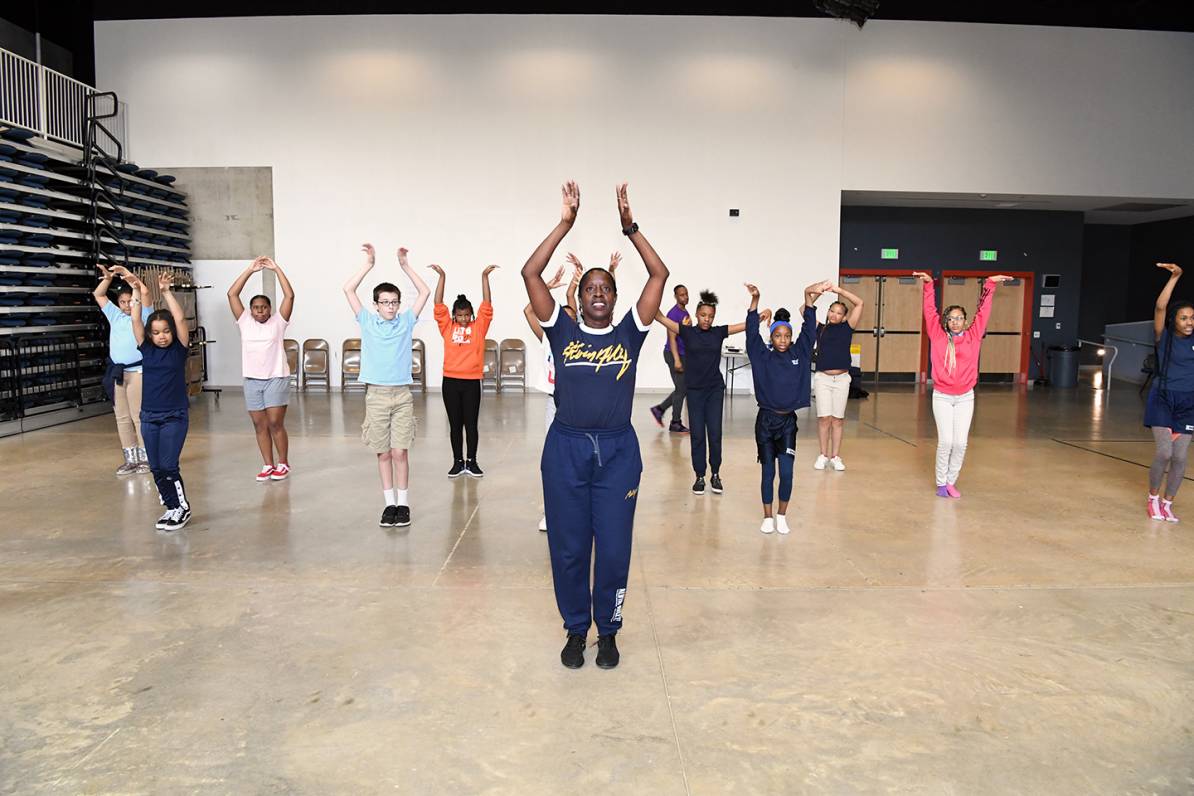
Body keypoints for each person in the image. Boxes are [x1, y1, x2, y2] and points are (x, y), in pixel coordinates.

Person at [523, 181, 668, 670]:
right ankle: (574, 628)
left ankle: (608, 631)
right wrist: (565, 224)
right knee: (568, 548)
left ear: (614, 296)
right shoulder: (561, 329)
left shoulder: (631, 332)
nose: (600, 293)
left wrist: (631, 229)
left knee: (611, 548)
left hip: (617, 454)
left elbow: (659, 273)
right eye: (591, 289)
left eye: (606, 288)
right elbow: (530, 272)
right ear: (579, 298)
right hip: (564, 449)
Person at [343, 244, 431, 528]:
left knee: (400, 452)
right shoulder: (367, 321)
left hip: (402, 395)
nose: (391, 307)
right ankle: (388, 504)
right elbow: (348, 289)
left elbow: (425, 292)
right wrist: (369, 264)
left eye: (394, 302)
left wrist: (405, 266)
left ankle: (403, 505)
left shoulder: (406, 322)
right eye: (385, 302)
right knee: (383, 453)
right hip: (376, 395)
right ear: (376, 304)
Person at [653, 290, 765, 495]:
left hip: (714, 390)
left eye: (711, 316)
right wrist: (652, 295)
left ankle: (715, 474)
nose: (707, 319)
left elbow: (745, 325)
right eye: (704, 315)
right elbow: (660, 317)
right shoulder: (687, 332)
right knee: (697, 435)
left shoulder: (718, 332)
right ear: (696, 315)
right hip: (694, 390)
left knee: (714, 434)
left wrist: (758, 310)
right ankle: (699, 476)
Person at [914, 270, 1013, 498]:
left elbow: (984, 311)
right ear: (946, 322)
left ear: (965, 321)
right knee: (946, 441)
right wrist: (929, 286)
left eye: (959, 318)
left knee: (960, 443)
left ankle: (951, 481)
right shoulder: (938, 337)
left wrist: (990, 285)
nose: (955, 322)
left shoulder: (973, 336)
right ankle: (940, 483)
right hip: (943, 396)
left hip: (966, 396)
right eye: (951, 318)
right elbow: (929, 311)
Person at [744, 281, 824, 534]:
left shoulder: (798, 353)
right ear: (772, 336)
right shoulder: (762, 355)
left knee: (787, 474)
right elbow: (750, 333)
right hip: (765, 423)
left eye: (786, 336)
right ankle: (767, 516)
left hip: (787, 424)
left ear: (791, 337)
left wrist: (808, 299)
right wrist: (755, 301)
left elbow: (810, 331)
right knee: (768, 473)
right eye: (777, 335)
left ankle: (781, 515)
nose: (782, 339)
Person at [130, 272, 192, 532]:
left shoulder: (179, 350)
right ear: (150, 335)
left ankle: (182, 507)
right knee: (155, 467)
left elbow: (179, 318)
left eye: (166, 331)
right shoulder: (146, 349)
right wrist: (135, 290)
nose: (162, 336)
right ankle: (171, 507)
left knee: (168, 465)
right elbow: (135, 318)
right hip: (149, 416)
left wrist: (166, 292)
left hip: (174, 416)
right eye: (156, 333)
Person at [227, 256, 295, 482]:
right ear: (251, 310)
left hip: (276, 377)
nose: (260, 311)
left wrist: (276, 268)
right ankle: (268, 464)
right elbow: (232, 294)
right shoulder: (245, 322)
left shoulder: (278, 322)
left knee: (275, 422)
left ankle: (283, 464)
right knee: (259, 424)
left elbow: (289, 295)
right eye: (256, 308)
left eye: (264, 308)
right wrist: (250, 270)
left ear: (269, 309)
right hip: (252, 381)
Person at [431, 263, 497, 478]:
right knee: (455, 425)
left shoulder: (479, 328)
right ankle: (458, 462)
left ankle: (472, 461)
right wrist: (442, 276)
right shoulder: (446, 327)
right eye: (459, 316)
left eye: (467, 315)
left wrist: (484, 276)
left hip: (471, 382)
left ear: (472, 315)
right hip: (450, 381)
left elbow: (487, 303)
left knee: (471, 424)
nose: (463, 319)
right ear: (453, 316)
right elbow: (437, 302)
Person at [524, 264, 575, 532]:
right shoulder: (547, 337)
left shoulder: (581, 340)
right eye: (561, 318)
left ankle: (575, 512)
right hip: (553, 404)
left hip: (576, 404)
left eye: (570, 318)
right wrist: (549, 286)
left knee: (575, 460)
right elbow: (529, 310)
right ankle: (552, 512)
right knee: (553, 459)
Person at [1144, 262, 1193, 522]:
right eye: (1184, 317)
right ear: (1175, 319)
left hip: (1188, 401)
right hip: (1163, 397)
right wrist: (1176, 277)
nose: (1189, 322)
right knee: (1165, 453)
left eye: (1192, 318)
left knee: (1181, 457)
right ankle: (1152, 498)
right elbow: (1161, 306)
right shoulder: (1164, 336)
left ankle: (1168, 503)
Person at [94, 264, 153, 476]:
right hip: (118, 373)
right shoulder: (115, 316)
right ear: (118, 303)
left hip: (138, 371)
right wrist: (108, 278)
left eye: (130, 301)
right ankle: (131, 458)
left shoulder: (144, 316)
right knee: (122, 416)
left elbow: (143, 293)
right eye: (123, 302)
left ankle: (147, 456)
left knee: (138, 415)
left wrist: (129, 278)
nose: (127, 305)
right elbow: (99, 294)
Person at [812, 284, 865, 471]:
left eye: (838, 313)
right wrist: (817, 293)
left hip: (842, 379)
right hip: (823, 379)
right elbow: (805, 308)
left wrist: (839, 291)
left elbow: (860, 303)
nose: (834, 315)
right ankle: (823, 455)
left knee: (837, 419)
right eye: (831, 311)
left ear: (844, 316)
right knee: (824, 418)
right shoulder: (820, 328)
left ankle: (835, 456)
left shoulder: (847, 327)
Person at [649, 284, 690, 433]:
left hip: (682, 354)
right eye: (681, 295)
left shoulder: (684, 312)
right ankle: (675, 422)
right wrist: (677, 360)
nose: (685, 297)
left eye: (686, 294)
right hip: (674, 354)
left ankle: (659, 409)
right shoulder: (674, 314)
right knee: (681, 388)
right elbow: (671, 338)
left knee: (682, 388)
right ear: (676, 296)